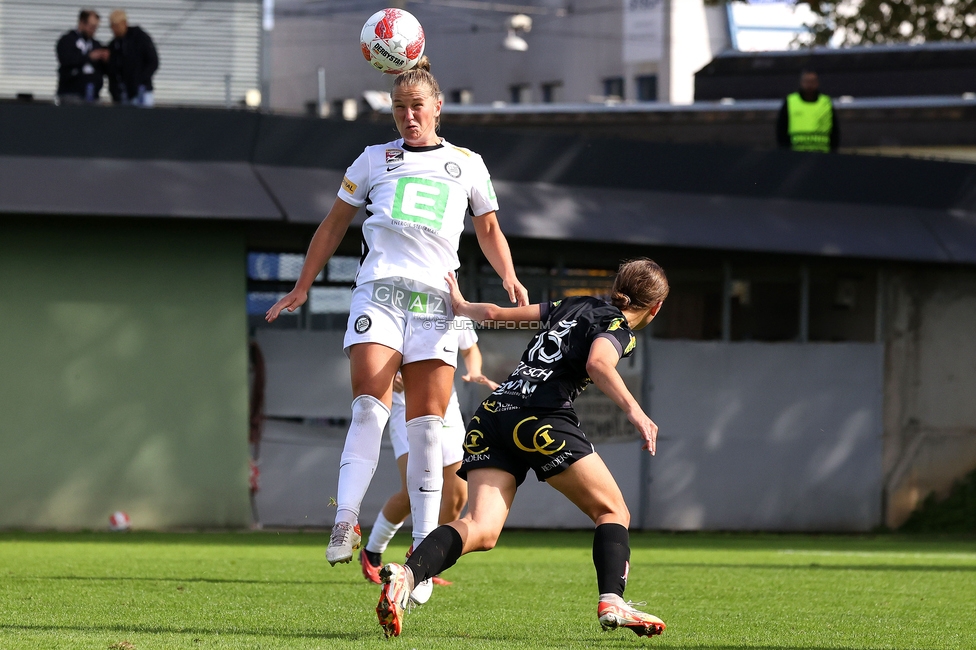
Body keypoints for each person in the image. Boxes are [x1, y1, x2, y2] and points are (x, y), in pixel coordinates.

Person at [265, 57, 528, 589]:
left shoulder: (468, 164)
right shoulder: (371, 159)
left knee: (429, 430)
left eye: (417, 107)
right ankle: (345, 523)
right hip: (378, 295)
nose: (409, 116)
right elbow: (334, 223)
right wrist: (302, 284)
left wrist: (509, 276)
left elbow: (491, 229)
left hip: (435, 304)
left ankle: (423, 558)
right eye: (399, 108)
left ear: (437, 107)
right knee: (368, 406)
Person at [375, 258, 670, 639]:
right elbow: (599, 363)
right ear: (655, 307)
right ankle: (612, 600)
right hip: (541, 417)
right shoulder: (618, 327)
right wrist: (637, 412)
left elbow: (498, 314)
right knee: (612, 510)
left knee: (482, 529)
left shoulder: (574, 303)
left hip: (494, 413)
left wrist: (463, 307)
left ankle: (407, 573)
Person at [360, 317, 498, 602]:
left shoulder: (455, 312)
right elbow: (372, 351)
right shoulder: (396, 305)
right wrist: (389, 374)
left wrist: (474, 371)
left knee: (458, 495)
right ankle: (372, 552)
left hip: (448, 413)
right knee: (415, 490)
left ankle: (426, 560)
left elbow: (471, 349)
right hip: (406, 410)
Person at [776, 69, 839, 153]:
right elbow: (781, 128)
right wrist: (785, 151)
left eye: (812, 81)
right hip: (795, 154)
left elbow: (835, 129)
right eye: (807, 81)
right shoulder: (791, 101)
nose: (809, 85)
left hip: (822, 154)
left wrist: (833, 151)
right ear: (801, 83)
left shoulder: (826, 102)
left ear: (817, 83)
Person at [107, 10, 159, 107]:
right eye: (112, 26)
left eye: (116, 26)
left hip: (141, 92)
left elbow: (153, 61)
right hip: (124, 94)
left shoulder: (140, 38)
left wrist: (140, 81)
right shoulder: (114, 45)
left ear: (124, 24)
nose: (114, 29)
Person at [56, 9, 108, 103]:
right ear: (82, 23)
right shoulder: (67, 41)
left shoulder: (96, 45)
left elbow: (104, 70)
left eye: (96, 28)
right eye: (91, 27)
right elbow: (66, 60)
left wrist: (106, 60)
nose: (93, 31)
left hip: (93, 95)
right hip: (71, 94)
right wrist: (88, 57)